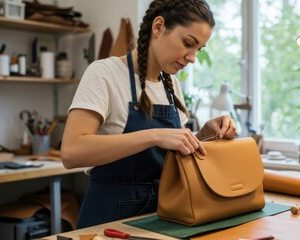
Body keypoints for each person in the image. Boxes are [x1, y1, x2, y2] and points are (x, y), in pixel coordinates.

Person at [61, 0, 237, 229]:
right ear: (158, 27)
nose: (192, 57)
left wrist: (204, 134)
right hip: (108, 221)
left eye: (198, 50)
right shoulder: (105, 73)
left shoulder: (170, 83)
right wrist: (154, 135)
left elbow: (175, 154)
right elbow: (72, 152)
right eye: (187, 43)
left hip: (161, 218)